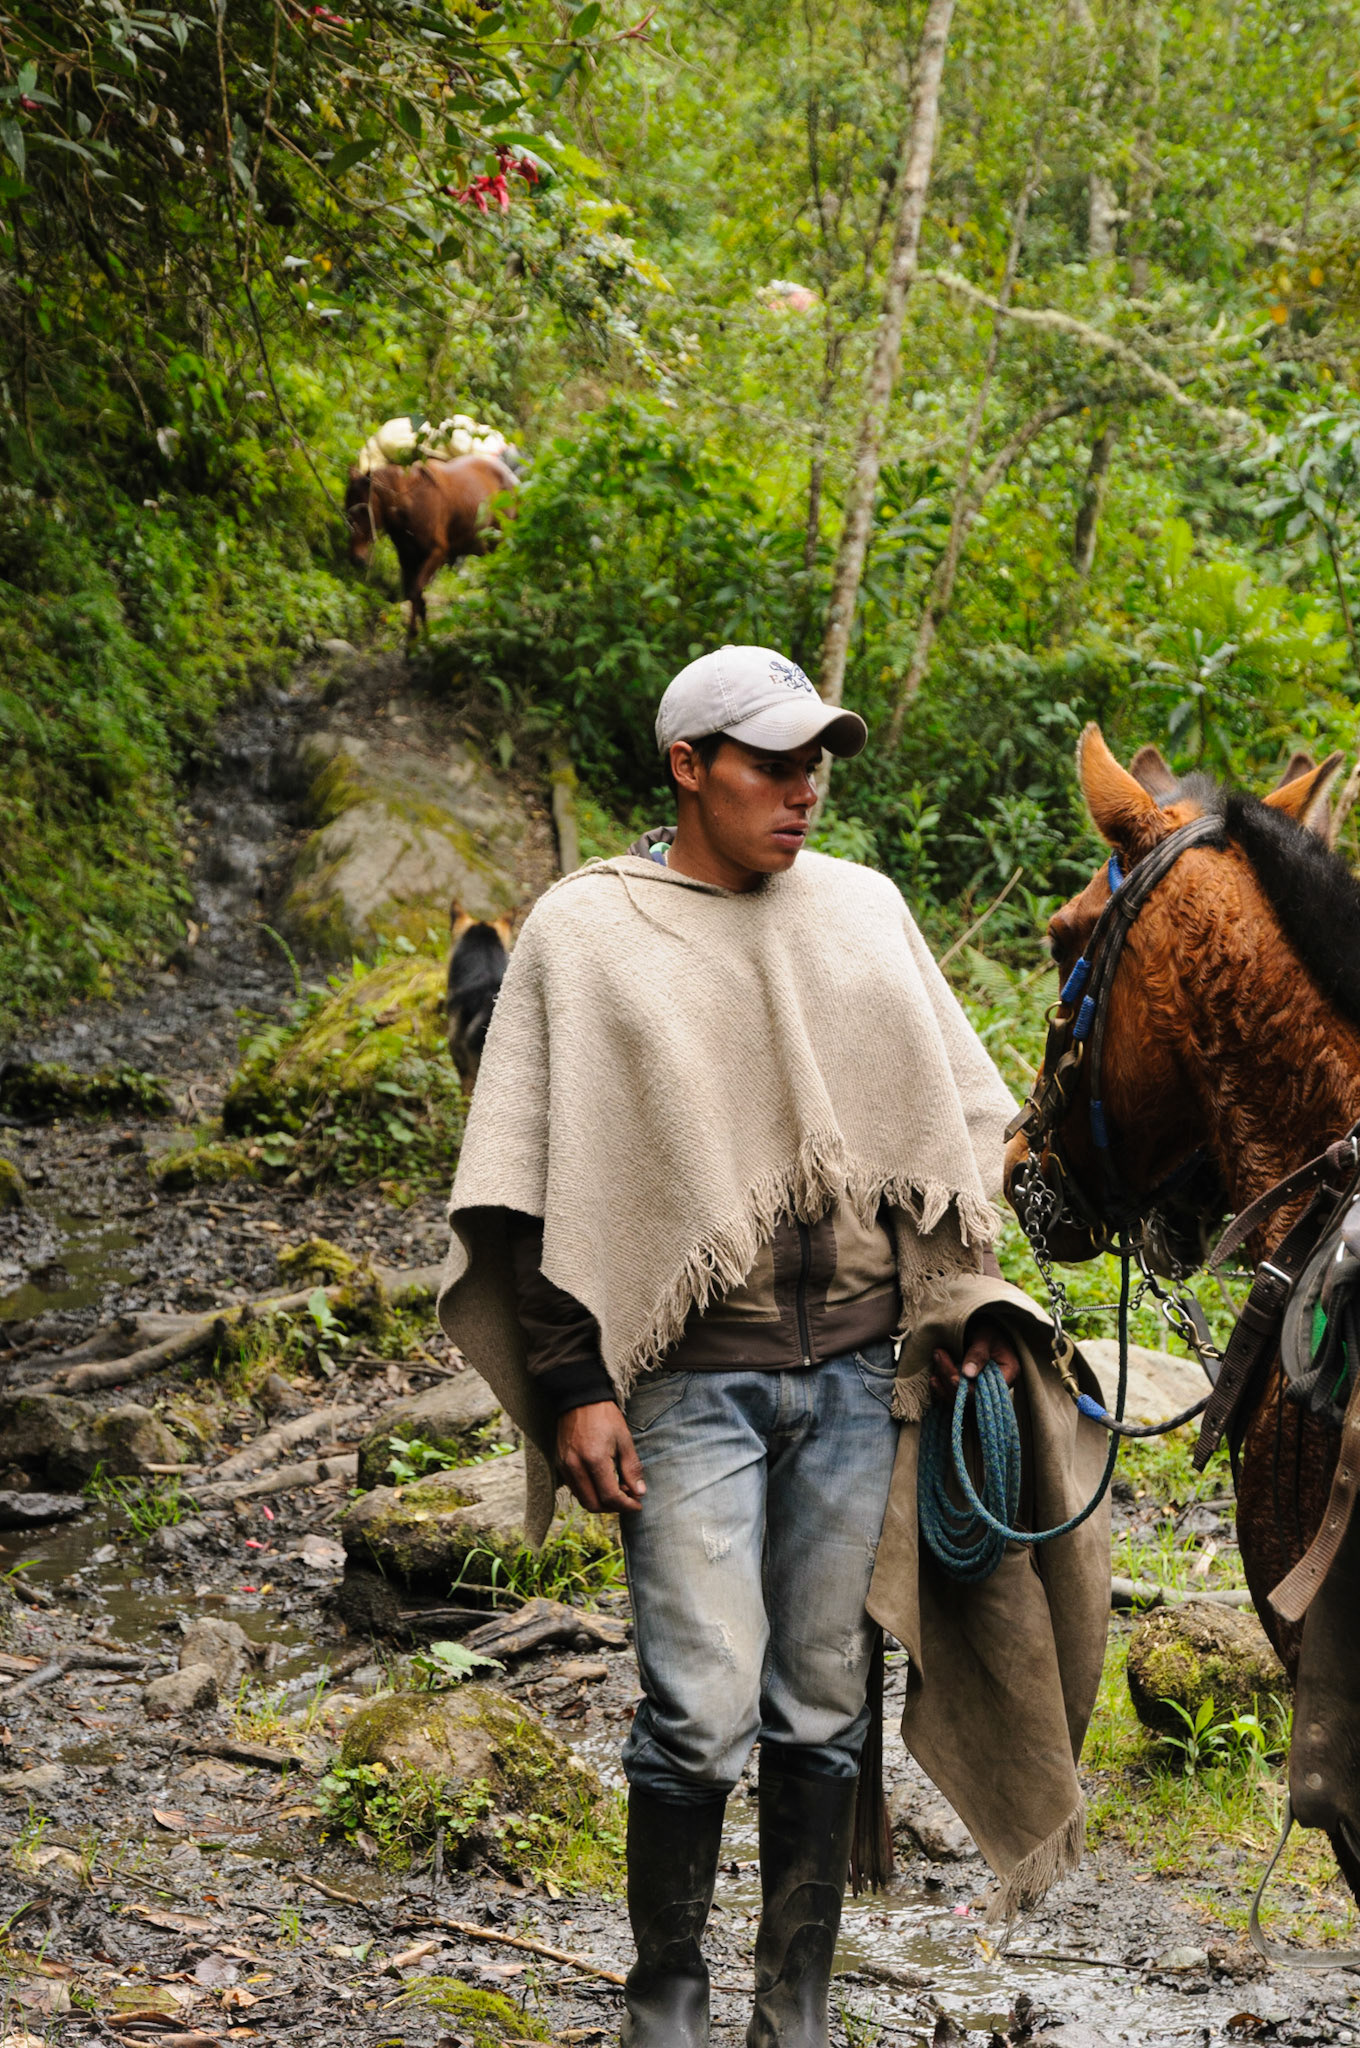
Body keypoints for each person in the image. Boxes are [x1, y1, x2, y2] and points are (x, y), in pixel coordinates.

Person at [438, 645, 1111, 2048]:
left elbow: (948, 1137)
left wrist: (961, 1314)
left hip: (865, 1379)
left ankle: (792, 2006)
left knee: (822, 1702)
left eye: (817, 765)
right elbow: (540, 1181)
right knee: (698, 1705)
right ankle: (668, 1998)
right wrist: (574, 1385)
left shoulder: (861, 911)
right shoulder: (589, 931)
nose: (804, 791)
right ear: (689, 767)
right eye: (772, 765)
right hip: (688, 1387)